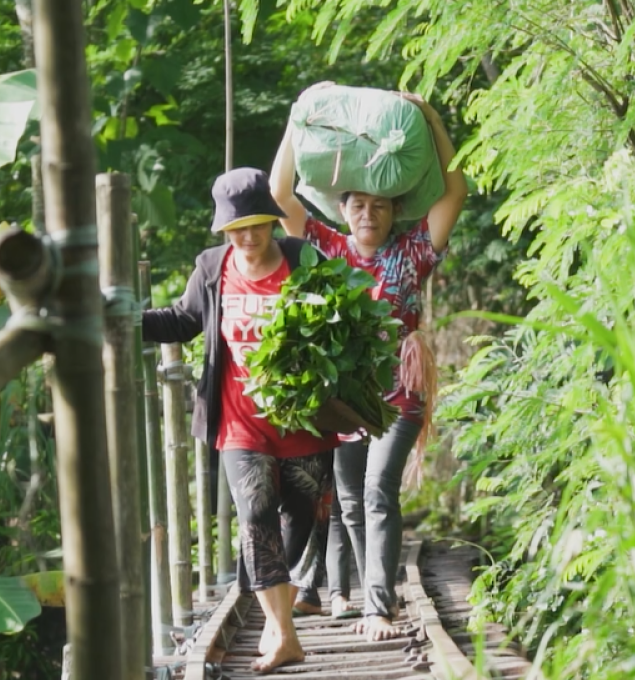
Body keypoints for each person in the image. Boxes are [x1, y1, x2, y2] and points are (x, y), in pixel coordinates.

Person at [270, 87, 468, 641]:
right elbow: (278, 194)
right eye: (357, 204)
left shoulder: (412, 251)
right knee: (350, 499)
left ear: (392, 210)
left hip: (399, 389)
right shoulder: (327, 248)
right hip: (344, 395)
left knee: (379, 488)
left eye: (378, 205)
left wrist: (428, 115)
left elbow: (456, 189)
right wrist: (298, 115)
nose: (367, 213)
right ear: (344, 209)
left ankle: (379, 607)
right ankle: (367, 597)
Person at [142, 167, 338, 671]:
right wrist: (124, 318)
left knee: (301, 517)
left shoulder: (302, 260)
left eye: (255, 225)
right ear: (224, 232)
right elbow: (184, 321)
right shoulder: (212, 268)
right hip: (240, 421)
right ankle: (284, 631)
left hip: (303, 420)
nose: (247, 238)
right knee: (255, 516)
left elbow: (344, 315)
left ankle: (279, 623)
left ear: (272, 221)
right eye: (236, 230)